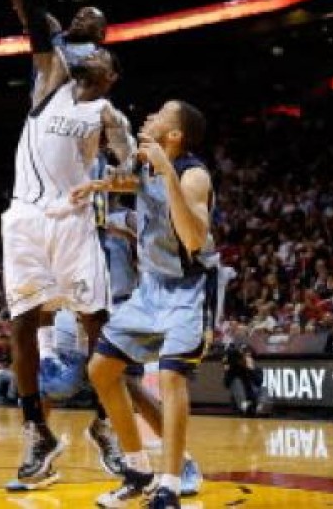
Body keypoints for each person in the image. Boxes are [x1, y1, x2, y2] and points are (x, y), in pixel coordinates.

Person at [0, 0, 135, 489]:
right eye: (81, 26)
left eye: (95, 30)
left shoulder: (108, 112)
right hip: (22, 217)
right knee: (22, 325)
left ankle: (106, 422)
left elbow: (136, 176)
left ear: (107, 55)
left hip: (74, 222)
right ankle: (36, 433)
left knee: (98, 323)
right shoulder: (51, 66)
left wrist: (110, 184)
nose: (85, 31)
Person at [85, 100, 216, 509]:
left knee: (173, 379)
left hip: (189, 288)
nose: (150, 118)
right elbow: (128, 182)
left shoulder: (194, 176)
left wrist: (165, 172)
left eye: (159, 114)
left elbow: (194, 239)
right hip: (150, 289)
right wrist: (98, 184)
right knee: (102, 369)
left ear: (174, 135)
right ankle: (138, 469)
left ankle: (171, 485)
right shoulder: (145, 166)